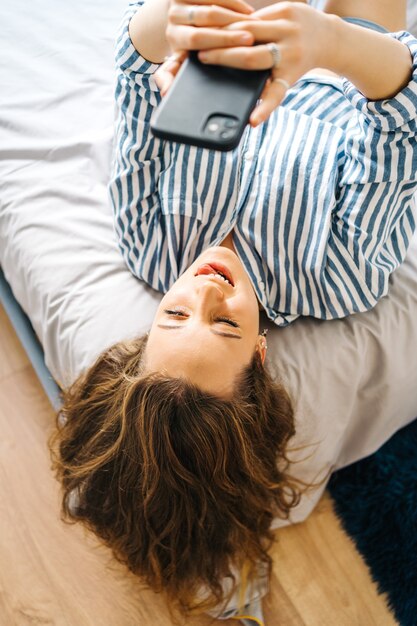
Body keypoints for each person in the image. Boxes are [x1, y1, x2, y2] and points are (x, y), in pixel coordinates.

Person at [49, 0, 417, 623]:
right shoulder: (335, 281)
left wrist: (170, 22)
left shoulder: (148, 238)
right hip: (354, 67)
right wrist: (330, 41)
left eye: (173, 316)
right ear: (260, 353)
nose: (206, 290)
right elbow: (401, 120)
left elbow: (135, 71)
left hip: (240, 36)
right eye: (225, 325)